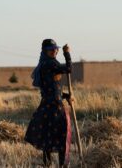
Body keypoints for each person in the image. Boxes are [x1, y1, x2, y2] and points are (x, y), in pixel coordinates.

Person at [25, 39, 72, 167]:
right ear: (45, 51)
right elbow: (68, 69)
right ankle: (62, 165)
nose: (55, 51)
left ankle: (48, 164)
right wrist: (67, 53)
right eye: (51, 49)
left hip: (48, 104)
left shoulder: (45, 63)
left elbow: (51, 88)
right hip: (54, 107)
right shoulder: (49, 64)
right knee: (62, 135)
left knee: (48, 136)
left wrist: (65, 96)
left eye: (56, 49)